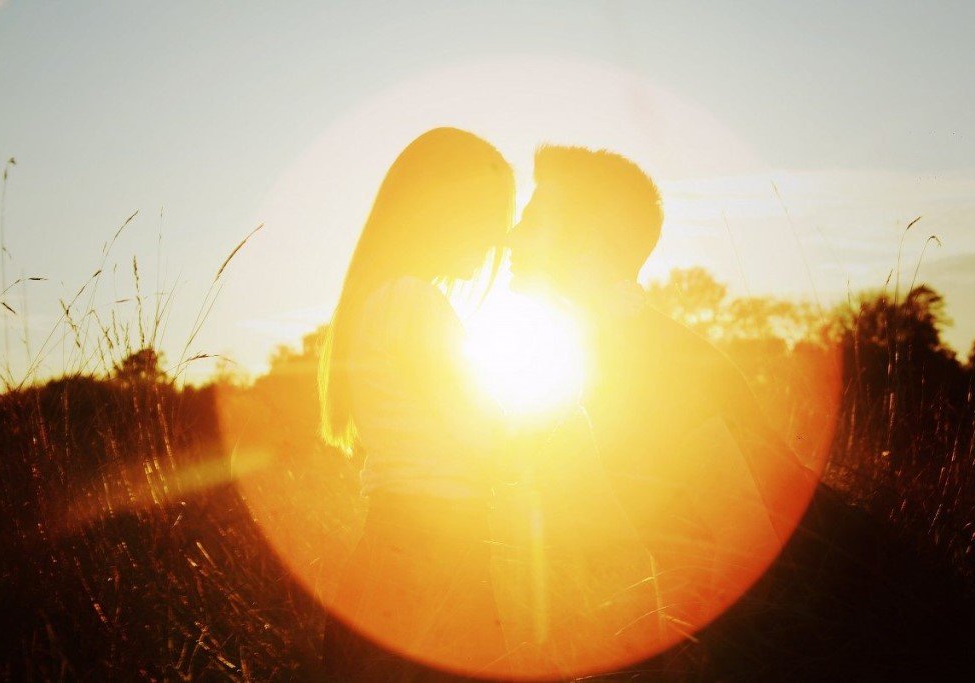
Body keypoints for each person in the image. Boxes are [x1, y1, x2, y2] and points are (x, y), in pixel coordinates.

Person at [508, 145, 818, 654]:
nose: (512, 236)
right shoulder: (617, 348)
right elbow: (685, 550)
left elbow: (745, 543)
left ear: (586, 244)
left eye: (532, 222)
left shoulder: (651, 362)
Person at [317, 127, 515, 681]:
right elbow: (488, 440)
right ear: (442, 208)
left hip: (398, 549)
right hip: (430, 557)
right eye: (488, 213)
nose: (498, 236)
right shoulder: (412, 302)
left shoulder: (384, 297)